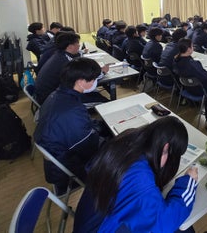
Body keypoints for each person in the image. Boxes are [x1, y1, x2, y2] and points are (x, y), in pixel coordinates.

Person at [73, 117, 198, 233]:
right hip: (104, 228)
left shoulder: (127, 138)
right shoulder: (140, 179)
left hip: (89, 221)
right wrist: (189, 182)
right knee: (183, 229)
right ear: (166, 148)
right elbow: (165, 222)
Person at [34, 58, 105, 194]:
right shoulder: (72, 110)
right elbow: (89, 146)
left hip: (58, 158)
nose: (95, 82)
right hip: (69, 169)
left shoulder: (56, 95)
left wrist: (97, 126)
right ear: (80, 82)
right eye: (93, 79)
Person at [35, 32, 109, 105]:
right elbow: (81, 81)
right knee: (104, 102)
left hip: (52, 94)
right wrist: (102, 72)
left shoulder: (60, 54)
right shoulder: (64, 62)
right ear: (70, 46)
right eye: (77, 43)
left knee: (96, 94)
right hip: (57, 100)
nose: (79, 45)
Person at [173, 38, 207, 134]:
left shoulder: (176, 60)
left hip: (187, 87)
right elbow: (206, 77)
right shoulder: (192, 63)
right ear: (188, 49)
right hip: (199, 90)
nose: (193, 48)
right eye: (192, 46)